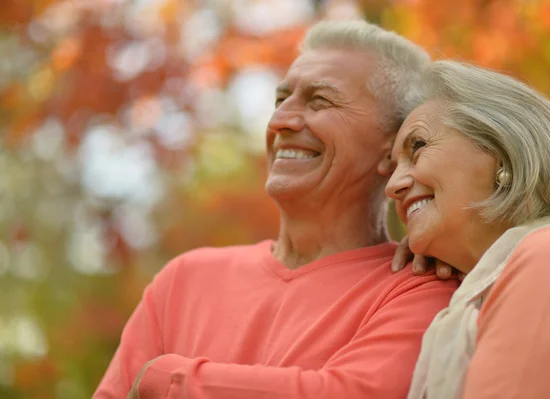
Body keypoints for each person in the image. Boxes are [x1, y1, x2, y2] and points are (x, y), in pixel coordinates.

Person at [93, 20, 458, 399]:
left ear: (392, 147)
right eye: (281, 99)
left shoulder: (421, 289)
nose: (281, 121)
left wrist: (167, 378)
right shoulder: (181, 281)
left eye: (320, 101)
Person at [385, 60, 550, 399]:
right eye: (393, 167)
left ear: (501, 152)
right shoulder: (475, 296)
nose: (393, 185)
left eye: (419, 147)